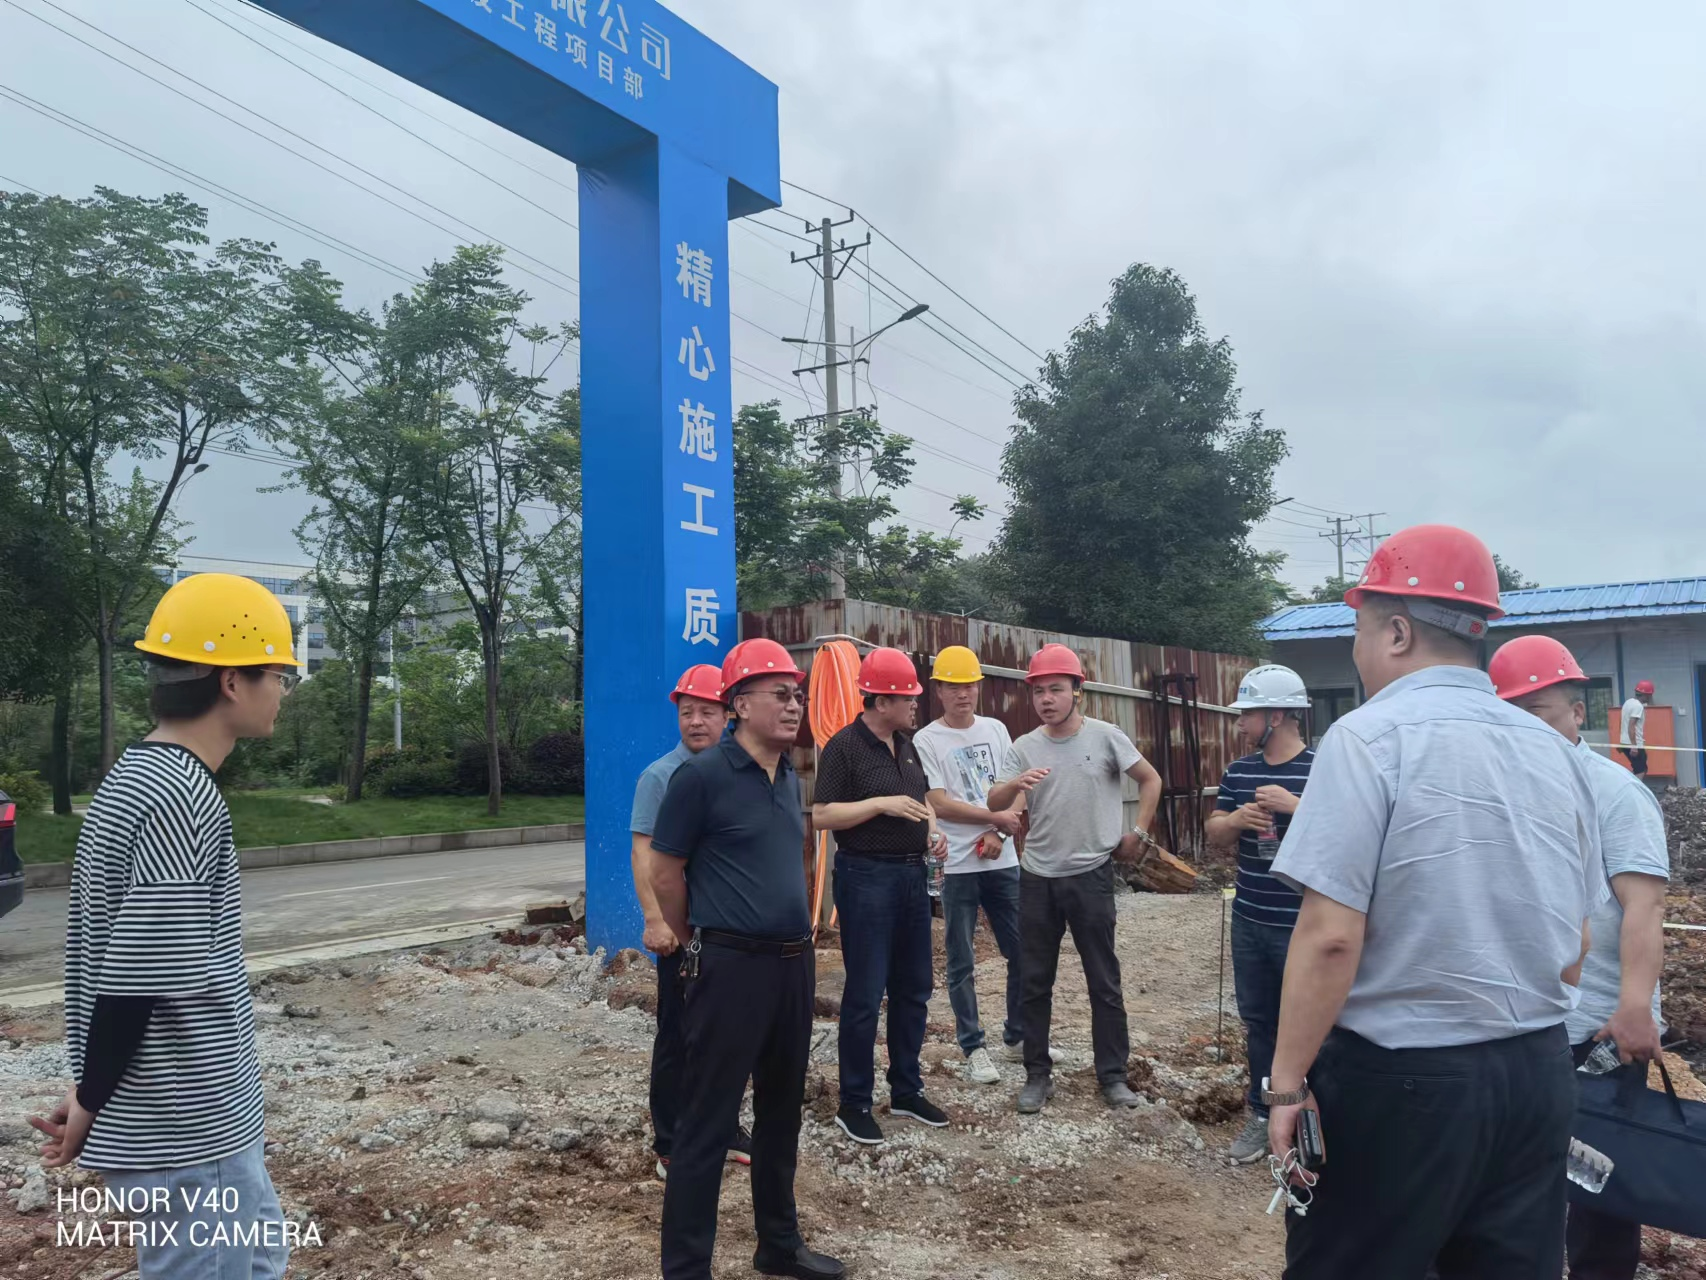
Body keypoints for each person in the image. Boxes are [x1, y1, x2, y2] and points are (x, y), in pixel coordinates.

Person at [1266, 524, 1605, 1280]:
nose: (1357, 652)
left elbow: (1330, 936)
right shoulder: (1554, 751)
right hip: (1537, 1074)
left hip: (1405, 1082)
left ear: (1396, 631)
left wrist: (1286, 1084)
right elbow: (1578, 940)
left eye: (1358, 631)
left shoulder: (1367, 738)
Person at [29, 573, 301, 1279]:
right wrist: (92, 1097)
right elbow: (138, 978)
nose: (283, 691)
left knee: (254, 1259)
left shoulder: (137, 777)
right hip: (188, 1123)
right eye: (279, 674)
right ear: (232, 681)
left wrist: (94, 1087)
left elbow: (121, 959)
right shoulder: (182, 796)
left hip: (181, 1114)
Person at [650, 638, 843, 1280]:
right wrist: (695, 939)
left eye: (798, 696)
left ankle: (778, 1245)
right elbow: (665, 871)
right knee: (707, 1121)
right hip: (730, 968)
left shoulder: (788, 776)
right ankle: (686, 1268)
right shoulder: (700, 778)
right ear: (738, 704)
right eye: (780, 694)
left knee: (782, 1110)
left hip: (792, 966)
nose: (794, 706)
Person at [1490, 635, 1669, 1280]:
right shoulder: (1500, 788)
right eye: (1513, 713)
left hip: (1595, 1027)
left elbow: (1644, 905)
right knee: (1514, 1185)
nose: (1526, 727)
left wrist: (1634, 1008)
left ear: (1575, 712)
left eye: (1540, 711)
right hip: (1519, 1021)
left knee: (1598, 1192)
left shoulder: (1613, 792)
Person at [986, 643, 1164, 1115]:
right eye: (1039, 691)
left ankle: (1113, 1076)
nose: (1046, 699)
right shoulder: (1023, 747)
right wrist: (1014, 785)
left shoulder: (1106, 737)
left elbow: (1151, 780)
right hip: (1037, 879)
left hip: (1090, 876)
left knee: (1103, 980)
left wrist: (1139, 832)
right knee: (1033, 981)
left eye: (1056, 689)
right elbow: (993, 802)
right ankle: (1036, 1075)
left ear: (1077, 691)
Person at [811, 646, 951, 1145]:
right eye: (907, 697)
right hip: (866, 877)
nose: (915, 704)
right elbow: (822, 815)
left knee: (914, 988)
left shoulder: (907, 746)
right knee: (866, 992)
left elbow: (922, 800)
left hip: (912, 877)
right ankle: (854, 1102)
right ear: (879, 700)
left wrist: (933, 831)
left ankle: (907, 1089)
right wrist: (878, 804)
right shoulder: (843, 748)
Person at [630, 663, 751, 1180]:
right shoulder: (661, 776)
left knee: (729, 1034)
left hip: (732, 931)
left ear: (728, 714)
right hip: (683, 932)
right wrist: (656, 921)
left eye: (706, 711)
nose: (696, 721)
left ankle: (722, 1127)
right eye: (687, 712)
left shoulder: (741, 770)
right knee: (678, 1035)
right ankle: (671, 1139)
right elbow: (644, 854)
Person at [1203, 663, 1315, 1165]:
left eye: (1247, 714)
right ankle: (1263, 1112)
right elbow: (1214, 834)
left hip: (1304, 923)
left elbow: (1349, 832)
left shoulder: (1322, 770)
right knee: (1260, 1021)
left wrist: (1296, 806)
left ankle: (1313, 1118)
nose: (1239, 723)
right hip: (1250, 917)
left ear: (1276, 715)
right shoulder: (1239, 772)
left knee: (1312, 1022)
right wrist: (1235, 819)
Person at [913, 645, 1026, 1085]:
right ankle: (974, 1047)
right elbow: (939, 802)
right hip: (958, 864)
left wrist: (999, 832)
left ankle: (1018, 1038)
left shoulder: (997, 730)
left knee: (1022, 952)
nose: (963, 694)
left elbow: (1019, 788)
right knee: (961, 960)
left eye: (969, 686)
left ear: (979, 688)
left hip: (1002, 860)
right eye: (953, 687)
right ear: (938, 691)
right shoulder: (927, 740)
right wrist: (994, 818)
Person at [1619, 679, 1654, 778]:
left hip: (1625, 742)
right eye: (1650, 695)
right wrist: (1634, 746)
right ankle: (1633, 787)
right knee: (1641, 770)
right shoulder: (1638, 706)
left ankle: (1631, 784)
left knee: (1640, 767)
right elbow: (1631, 725)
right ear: (1646, 695)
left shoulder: (1628, 702)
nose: (1650, 697)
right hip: (1633, 743)